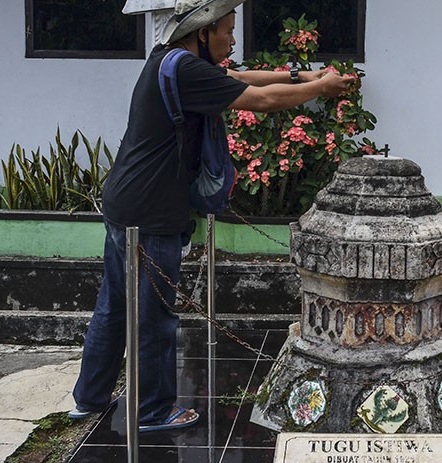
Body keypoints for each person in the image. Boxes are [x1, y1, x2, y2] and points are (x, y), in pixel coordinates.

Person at [69, 0, 355, 432]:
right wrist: (319, 90)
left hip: (125, 202)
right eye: (227, 30)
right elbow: (259, 98)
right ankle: (150, 412)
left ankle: (89, 399)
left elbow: (241, 78)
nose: (233, 39)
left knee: (114, 306)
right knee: (153, 315)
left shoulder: (170, 60)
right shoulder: (186, 69)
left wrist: (304, 76)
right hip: (150, 212)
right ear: (202, 32)